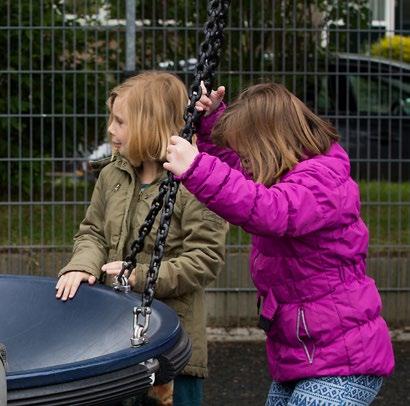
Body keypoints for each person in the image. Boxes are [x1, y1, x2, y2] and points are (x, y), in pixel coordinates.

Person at [164, 82, 395, 405]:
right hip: (303, 352)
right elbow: (238, 173)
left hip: (343, 359)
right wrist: (211, 121)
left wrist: (197, 168)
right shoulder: (283, 170)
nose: (244, 162)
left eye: (247, 152)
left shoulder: (320, 180)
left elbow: (271, 210)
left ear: (268, 144)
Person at [55, 71, 228, 406]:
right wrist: (82, 266)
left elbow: (205, 258)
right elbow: (93, 231)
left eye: (120, 121)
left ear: (150, 124)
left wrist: (141, 277)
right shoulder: (113, 174)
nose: (110, 129)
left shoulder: (196, 180)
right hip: (113, 336)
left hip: (171, 347)